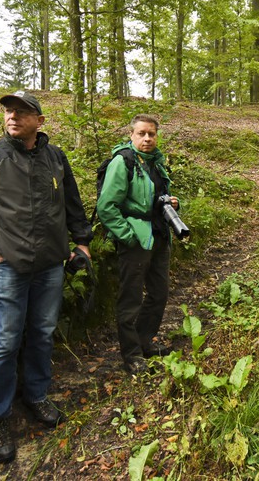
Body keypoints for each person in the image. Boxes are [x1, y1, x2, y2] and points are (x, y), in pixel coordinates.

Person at [0, 91, 93, 463]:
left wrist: (82, 242)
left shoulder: (55, 158)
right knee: (4, 342)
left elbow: (73, 204)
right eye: (8, 111)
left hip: (50, 265)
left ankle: (35, 396)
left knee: (43, 333)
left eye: (22, 112)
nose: (12, 116)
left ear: (40, 121)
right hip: (9, 267)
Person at [96, 114, 179, 375]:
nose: (147, 138)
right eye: (141, 133)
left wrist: (172, 203)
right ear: (131, 135)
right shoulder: (124, 161)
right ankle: (131, 355)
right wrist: (128, 236)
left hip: (158, 236)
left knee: (159, 293)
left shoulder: (156, 162)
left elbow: (155, 196)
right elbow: (107, 206)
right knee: (130, 298)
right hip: (135, 240)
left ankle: (146, 341)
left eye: (151, 134)